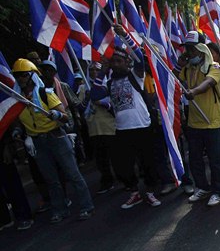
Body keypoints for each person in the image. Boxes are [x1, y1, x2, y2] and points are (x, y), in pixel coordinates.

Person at [12, 58, 94, 223]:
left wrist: (56, 115)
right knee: (51, 179)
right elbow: (18, 121)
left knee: (72, 174)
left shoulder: (46, 94)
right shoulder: (18, 100)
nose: (20, 78)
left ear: (32, 76)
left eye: (23, 75)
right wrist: (17, 131)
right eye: (17, 75)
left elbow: (64, 116)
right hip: (37, 142)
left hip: (55, 136)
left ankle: (86, 206)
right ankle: (60, 209)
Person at [91, 25, 161, 209]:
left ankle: (151, 192)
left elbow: (139, 58)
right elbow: (96, 95)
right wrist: (103, 70)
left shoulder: (135, 75)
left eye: (119, 61)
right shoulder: (109, 81)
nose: (115, 64)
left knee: (148, 162)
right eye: (113, 61)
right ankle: (134, 192)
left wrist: (125, 36)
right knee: (124, 166)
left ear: (126, 62)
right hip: (122, 130)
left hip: (142, 126)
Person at [175, 31, 220, 206]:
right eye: (187, 49)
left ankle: (218, 191)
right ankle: (202, 188)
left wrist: (194, 91)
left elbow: (209, 83)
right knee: (195, 159)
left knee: (215, 159)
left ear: (201, 48)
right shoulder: (188, 68)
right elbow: (175, 79)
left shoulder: (215, 67)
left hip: (212, 122)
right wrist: (178, 64)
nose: (189, 52)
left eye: (192, 48)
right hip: (194, 123)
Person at [83, 62, 117, 194]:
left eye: (97, 70)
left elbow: (115, 104)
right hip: (94, 128)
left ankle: (123, 178)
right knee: (101, 158)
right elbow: (81, 108)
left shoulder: (108, 85)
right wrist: (87, 99)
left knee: (115, 155)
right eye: (91, 70)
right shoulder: (83, 88)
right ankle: (107, 181)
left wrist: (102, 103)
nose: (93, 73)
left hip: (109, 126)